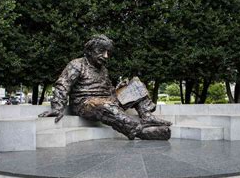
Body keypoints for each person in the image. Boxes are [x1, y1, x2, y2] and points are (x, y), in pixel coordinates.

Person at [39, 35, 171, 140]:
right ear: (89, 51)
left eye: (107, 52)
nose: (106, 56)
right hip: (85, 103)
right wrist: (57, 108)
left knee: (136, 85)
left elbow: (108, 90)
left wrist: (119, 88)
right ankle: (139, 131)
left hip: (107, 100)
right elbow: (63, 85)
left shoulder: (103, 70)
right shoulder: (77, 65)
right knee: (106, 105)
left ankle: (146, 115)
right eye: (101, 51)